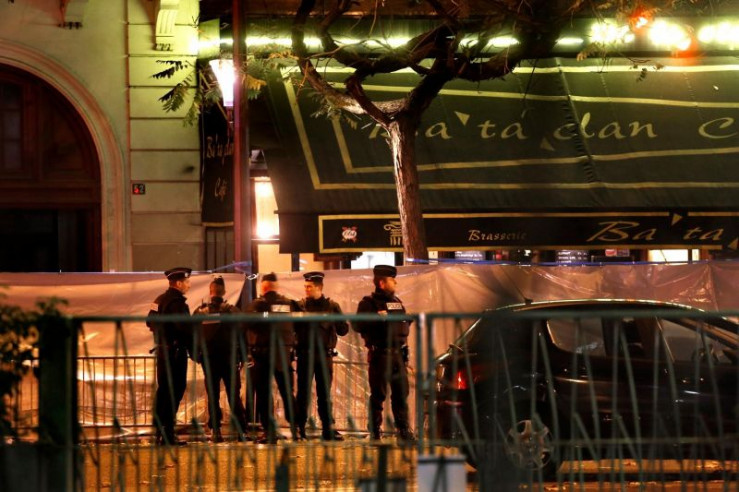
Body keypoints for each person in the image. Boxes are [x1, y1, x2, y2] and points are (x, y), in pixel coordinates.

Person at [354, 265, 415, 442]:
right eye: (391, 279)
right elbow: (357, 325)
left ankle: (403, 431)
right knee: (378, 395)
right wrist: (375, 318)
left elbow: (402, 328)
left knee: (401, 394)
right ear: (381, 283)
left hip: (398, 356)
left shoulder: (397, 302)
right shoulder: (368, 303)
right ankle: (375, 431)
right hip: (380, 355)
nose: (395, 282)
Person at [245, 272, 300, 443]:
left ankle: (269, 432)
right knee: (287, 393)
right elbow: (298, 325)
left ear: (264, 287)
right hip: (283, 354)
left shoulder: (258, 305)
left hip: (262, 354)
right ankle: (296, 429)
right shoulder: (289, 304)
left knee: (264, 394)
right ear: (276, 286)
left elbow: (246, 323)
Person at [192, 276, 249, 442]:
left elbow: (193, 336)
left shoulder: (200, 312)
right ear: (224, 292)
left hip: (209, 360)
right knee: (234, 395)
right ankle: (241, 431)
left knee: (213, 395)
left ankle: (215, 431)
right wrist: (243, 357)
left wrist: (197, 356)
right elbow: (242, 336)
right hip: (229, 359)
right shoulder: (233, 312)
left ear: (210, 292)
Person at [295, 271, 349, 441]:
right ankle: (299, 427)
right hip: (305, 354)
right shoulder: (300, 306)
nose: (306, 289)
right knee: (303, 394)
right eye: (305, 286)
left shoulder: (332, 306)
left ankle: (328, 428)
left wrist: (337, 319)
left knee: (324, 394)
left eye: (309, 287)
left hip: (324, 356)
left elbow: (343, 330)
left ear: (319, 288)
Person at [148, 267, 193, 446]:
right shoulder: (177, 303)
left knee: (164, 390)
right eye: (187, 282)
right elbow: (185, 328)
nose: (189, 285)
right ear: (179, 283)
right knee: (175, 390)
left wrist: (161, 335)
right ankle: (167, 433)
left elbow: (149, 321)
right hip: (175, 353)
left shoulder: (159, 300)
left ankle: (159, 431)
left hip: (162, 352)